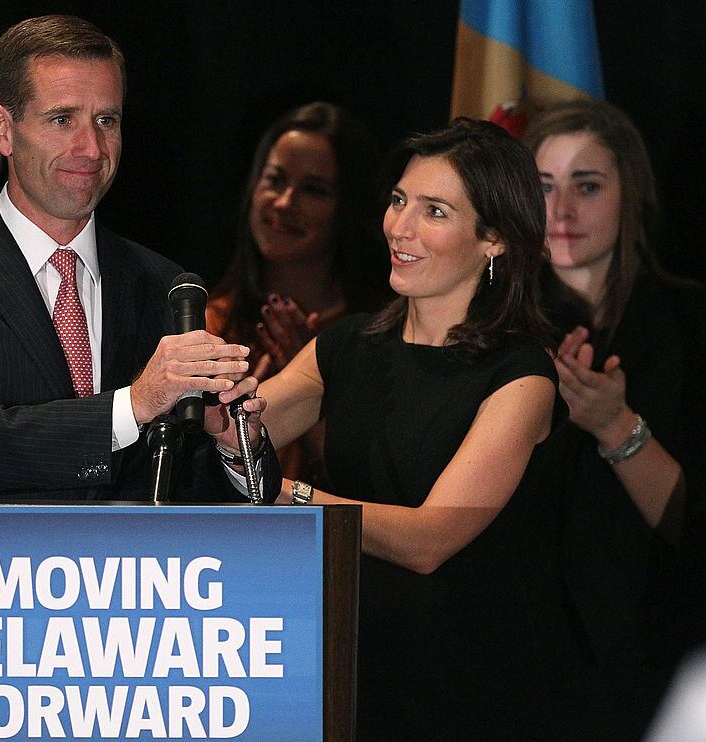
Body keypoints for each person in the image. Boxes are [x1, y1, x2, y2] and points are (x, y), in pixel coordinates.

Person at [243, 119, 570, 738]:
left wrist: (289, 498)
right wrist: (196, 398)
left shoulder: (522, 377)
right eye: (398, 202)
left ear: (494, 238)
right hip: (347, 674)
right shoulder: (347, 344)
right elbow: (240, 430)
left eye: (435, 211)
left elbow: (429, 541)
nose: (400, 227)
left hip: (466, 694)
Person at [0, 15, 275, 502]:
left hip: (137, 575)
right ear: (3, 131)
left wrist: (233, 445)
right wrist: (132, 405)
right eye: (63, 120)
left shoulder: (163, 285)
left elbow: (187, 491)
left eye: (106, 120)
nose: (91, 147)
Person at [525, 98, 706, 739]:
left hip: (648, 664)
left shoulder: (689, 324)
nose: (562, 211)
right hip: (509, 667)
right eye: (543, 187)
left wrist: (615, 426)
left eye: (588, 186)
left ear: (632, 197)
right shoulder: (485, 327)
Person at [207, 101, 391, 484]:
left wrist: (310, 380)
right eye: (274, 180)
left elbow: (378, 490)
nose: (285, 202)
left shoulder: (381, 334)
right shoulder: (209, 325)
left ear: (348, 207)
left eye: (314, 190)